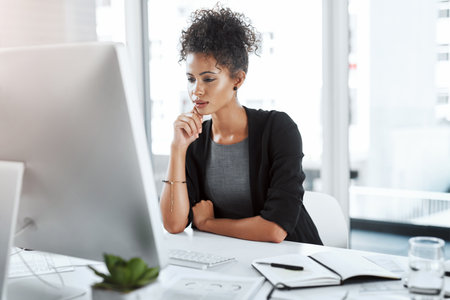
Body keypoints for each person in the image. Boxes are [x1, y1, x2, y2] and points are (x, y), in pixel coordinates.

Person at [160, 5, 322, 244]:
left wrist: (208, 224)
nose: (197, 90)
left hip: (295, 261)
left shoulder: (278, 129)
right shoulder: (194, 141)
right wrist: (177, 149)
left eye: (208, 79)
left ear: (238, 79)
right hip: (233, 260)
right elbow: (173, 224)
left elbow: (275, 230)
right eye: (191, 79)